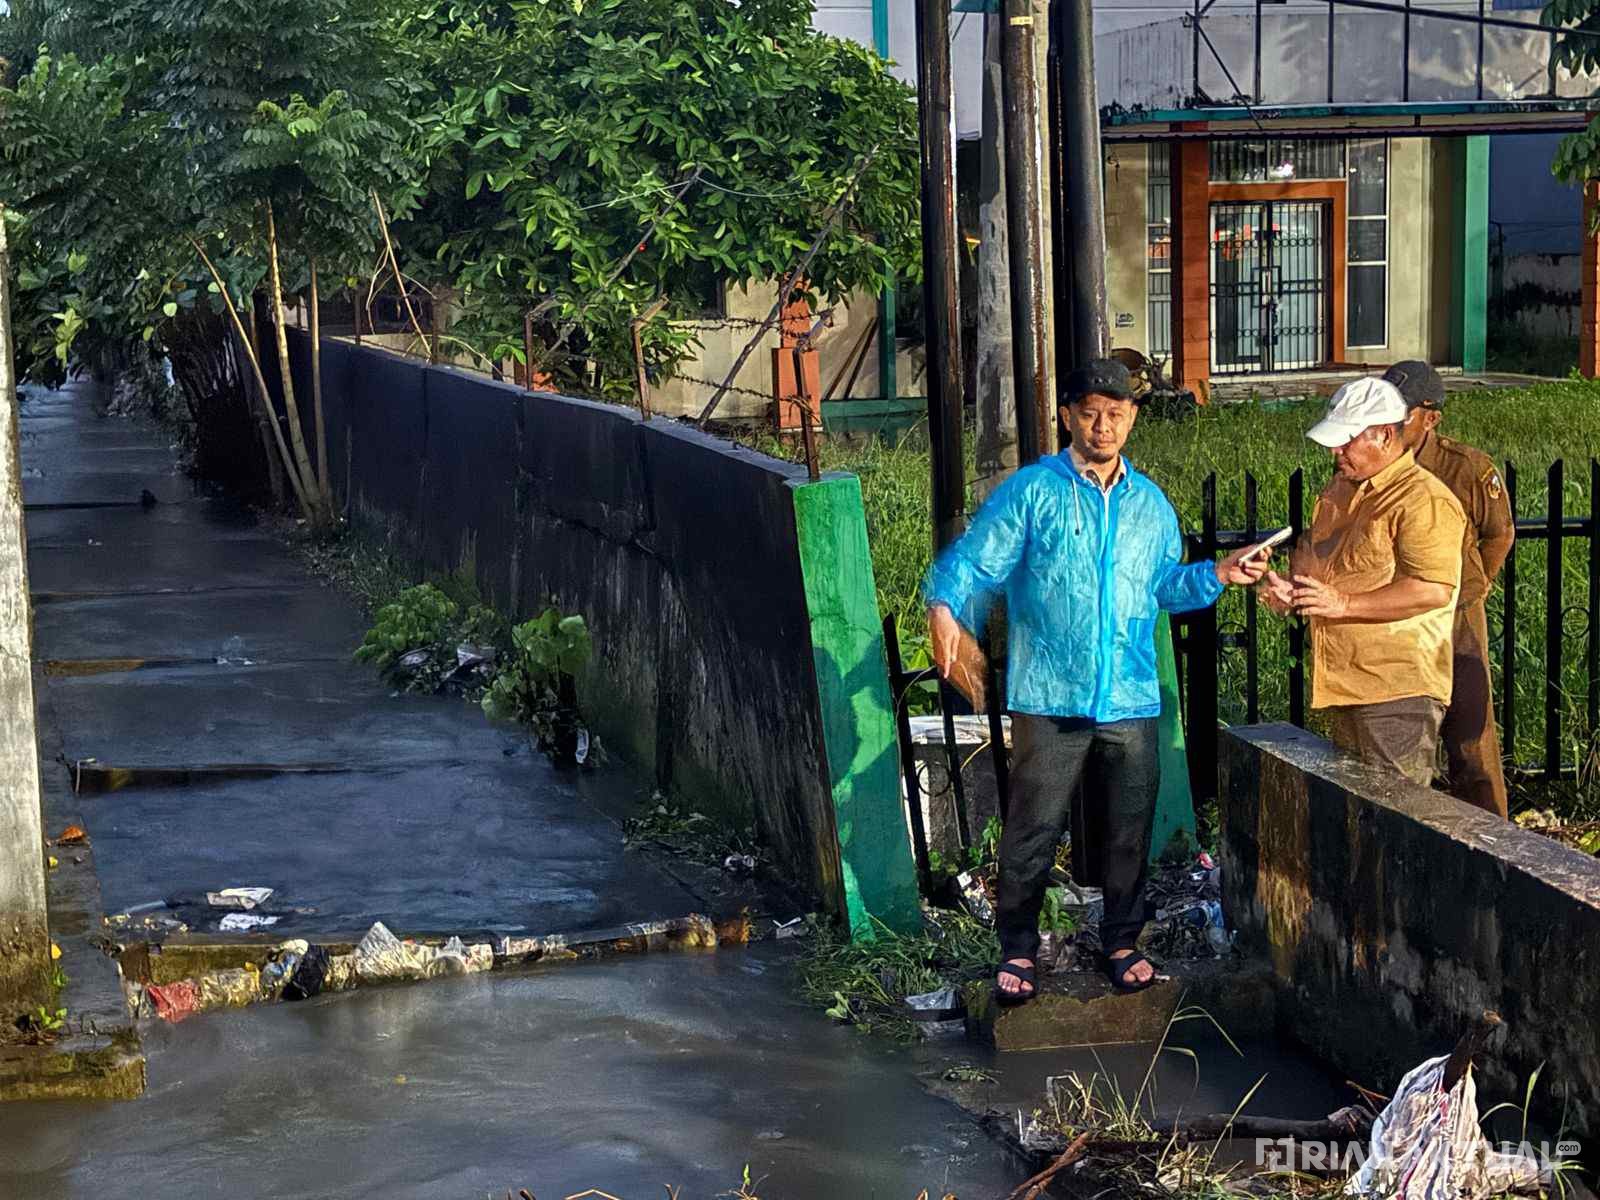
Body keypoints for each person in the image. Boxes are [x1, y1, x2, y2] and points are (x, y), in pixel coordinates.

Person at [923, 359, 1267, 1003]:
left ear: (1132, 418)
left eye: (1116, 414)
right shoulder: (1034, 491)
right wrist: (945, 606)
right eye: (1090, 413)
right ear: (1068, 417)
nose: (1103, 426)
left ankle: (1121, 940)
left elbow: (1167, 587)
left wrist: (1219, 574)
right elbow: (976, 560)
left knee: (1126, 829)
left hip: (1129, 696)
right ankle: (1018, 951)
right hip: (1050, 695)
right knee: (1033, 828)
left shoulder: (1150, 504)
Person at [1261, 377, 1467, 786]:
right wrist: (1292, 590)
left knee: (1395, 822)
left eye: (1347, 441)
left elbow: (1432, 588)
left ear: (1385, 436)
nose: (1336, 452)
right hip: (1348, 682)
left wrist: (1342, 604)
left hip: (1397, 689)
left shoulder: (1422, 499)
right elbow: (1329, 570)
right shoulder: (1342, 489)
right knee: (1359, 816)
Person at [1385, 361, 1513, 819]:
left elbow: (1499, 535)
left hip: (1455, 615)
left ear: (1430, 416)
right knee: (1401, 737)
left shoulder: (1467, 469)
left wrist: (1474, 588)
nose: (1389, 422)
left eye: (1401, 414)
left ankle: (1494, 842)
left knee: (1471, 737)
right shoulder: (1370, 461)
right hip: (1396, 616)